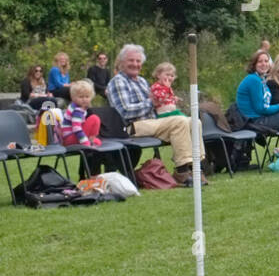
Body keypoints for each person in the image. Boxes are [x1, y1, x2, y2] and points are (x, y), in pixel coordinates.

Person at [106, 44, 207, 185]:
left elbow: (157, 103)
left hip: (154, 123)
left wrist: (167, 100)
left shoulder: (142, 81)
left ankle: (197, 168)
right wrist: (151, 102)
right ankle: (182, 172)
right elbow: (125, 111)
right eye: (131, 60)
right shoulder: (118, 82)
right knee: (179, 121)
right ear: (122, 62)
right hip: (133, 126)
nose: (135, 64)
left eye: (138, 61)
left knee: (194, 122)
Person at [59, 80, 102, 146]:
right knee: (95, 118)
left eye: (87, 97)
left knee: (98, 142)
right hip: (70, 138)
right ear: (73, 98)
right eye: (81, 97)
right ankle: (90, 140)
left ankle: (91, 140)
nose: (84, 99)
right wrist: (86, 143)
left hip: (70, 137)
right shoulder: (77, 110)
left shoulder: (76, 106)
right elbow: (76, 128)